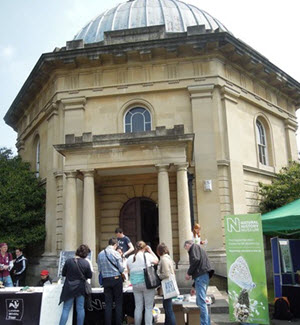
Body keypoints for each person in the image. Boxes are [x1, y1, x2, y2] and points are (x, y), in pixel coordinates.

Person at [59, 244, 92, 325]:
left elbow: (63, 274)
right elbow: (89, 276)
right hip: (80, 288)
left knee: (66, 309)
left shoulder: (68, 261)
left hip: (69, 287)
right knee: (80, 309)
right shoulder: (86, 263)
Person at [127, 241, 158, 325]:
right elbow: (156, 261)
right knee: (148, 307)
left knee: (138, 307)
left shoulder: (130, 258)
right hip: (146, 284)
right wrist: (150, 250)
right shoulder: (147, 256)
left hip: (135, 284)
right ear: (145, 248)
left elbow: (129, 271)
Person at [184, 240, 214, 325]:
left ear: (188, 245)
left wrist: (188, 273)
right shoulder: (199, 249)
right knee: (200, 301)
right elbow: (199, 267)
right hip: (204, 276)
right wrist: (194, 286)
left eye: (186, 249)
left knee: (201, 303)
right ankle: (206, 322)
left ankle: (204, 323)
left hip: (201, 277)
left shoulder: (193, 247)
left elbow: (196, 260)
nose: (187, 251)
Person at [97, 238, 124, 325]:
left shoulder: (100, 254)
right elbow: (121, 268)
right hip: (116, 279)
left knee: (108, 304)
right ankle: (118, 323)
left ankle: (108, 323)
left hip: (106, 280)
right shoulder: (116, 253)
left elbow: (99, 269)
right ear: (115, 245)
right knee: (118, 303)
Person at [156, 243, 176, 325]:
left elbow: (166, 274)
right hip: (169, 285)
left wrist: (158, 276)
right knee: (167, 307)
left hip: (167, 286)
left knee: (168, 309)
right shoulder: (168, 258)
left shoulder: (163, 259)